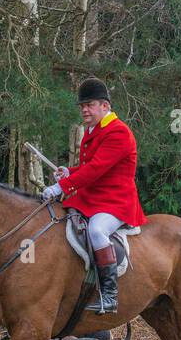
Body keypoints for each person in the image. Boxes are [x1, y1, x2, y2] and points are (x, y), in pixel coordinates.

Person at [42, 77, 148, 314]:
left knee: (96, 231)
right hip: (94, 196)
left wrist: (62, 187)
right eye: (82, 106)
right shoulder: (93, 130)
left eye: (89, 105)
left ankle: (109, 296)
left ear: (105, 106)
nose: (84, 110)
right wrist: (70, 172)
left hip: (117, 201)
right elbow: (90, 166)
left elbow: (96, 168)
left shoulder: (119, 132)